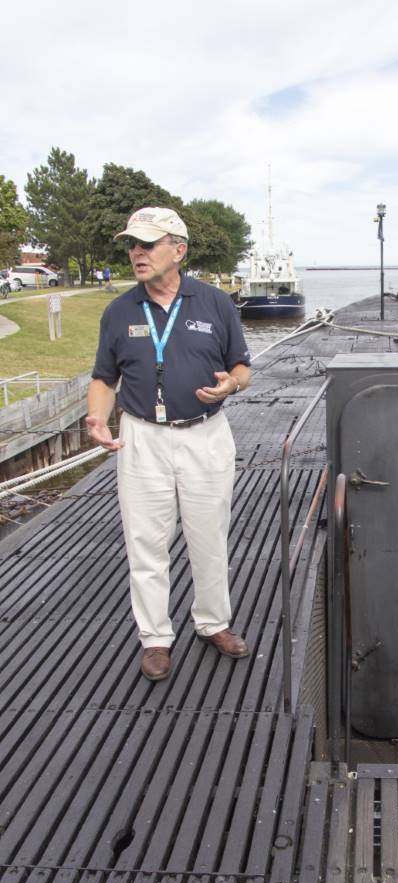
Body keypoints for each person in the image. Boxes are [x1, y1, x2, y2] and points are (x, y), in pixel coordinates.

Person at [86, 206, 251, 682]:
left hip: (205, 435)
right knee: (145, 544)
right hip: (142, 439)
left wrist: (229, 387)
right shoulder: (118, 311)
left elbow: (242, 367)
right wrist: (97, 415)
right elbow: (103, 377)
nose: (137, 252)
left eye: (147, 244)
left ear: (178, 250)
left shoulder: (216, 303)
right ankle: (155, 638)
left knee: (208, 537)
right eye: (132, 245)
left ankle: (213, 622)